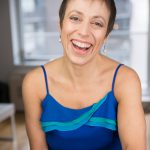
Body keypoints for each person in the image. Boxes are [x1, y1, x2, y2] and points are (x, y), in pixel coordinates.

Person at [22, 0, 146, 149]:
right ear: (60, 24)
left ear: (106, 35)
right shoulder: (35, 83)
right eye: (75, 18)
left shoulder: (125, 81)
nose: (84, 32)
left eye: (97, 23)